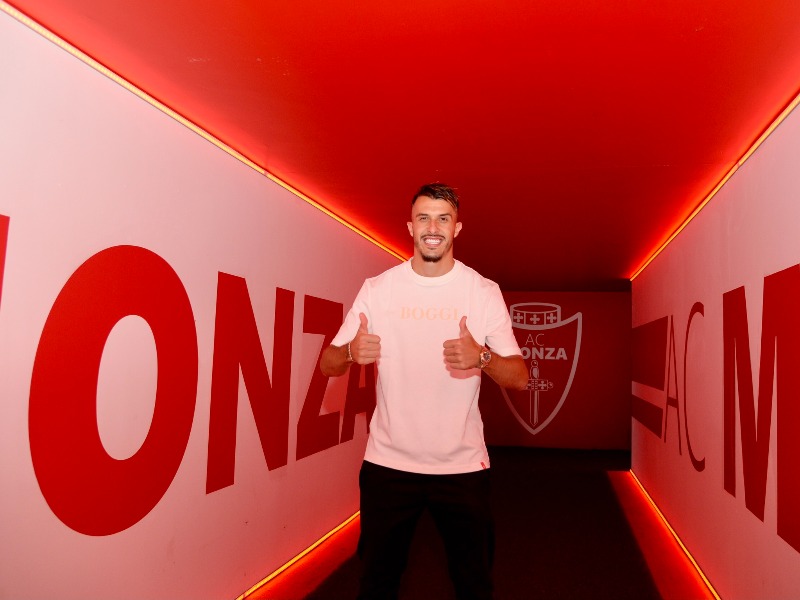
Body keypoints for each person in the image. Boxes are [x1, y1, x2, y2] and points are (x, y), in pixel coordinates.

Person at [320, 183, 528, 599]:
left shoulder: (482, 291)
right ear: (410, 227)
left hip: (462, 467)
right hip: (388, 464)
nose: (433, 228)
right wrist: (351, 353)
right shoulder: (378, 289)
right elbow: (328, 362)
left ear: (457, 228)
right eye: (424, 218)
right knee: (376, 585)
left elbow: (520, 376)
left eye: (443, 218)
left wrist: (482, 358)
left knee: (474, 586)